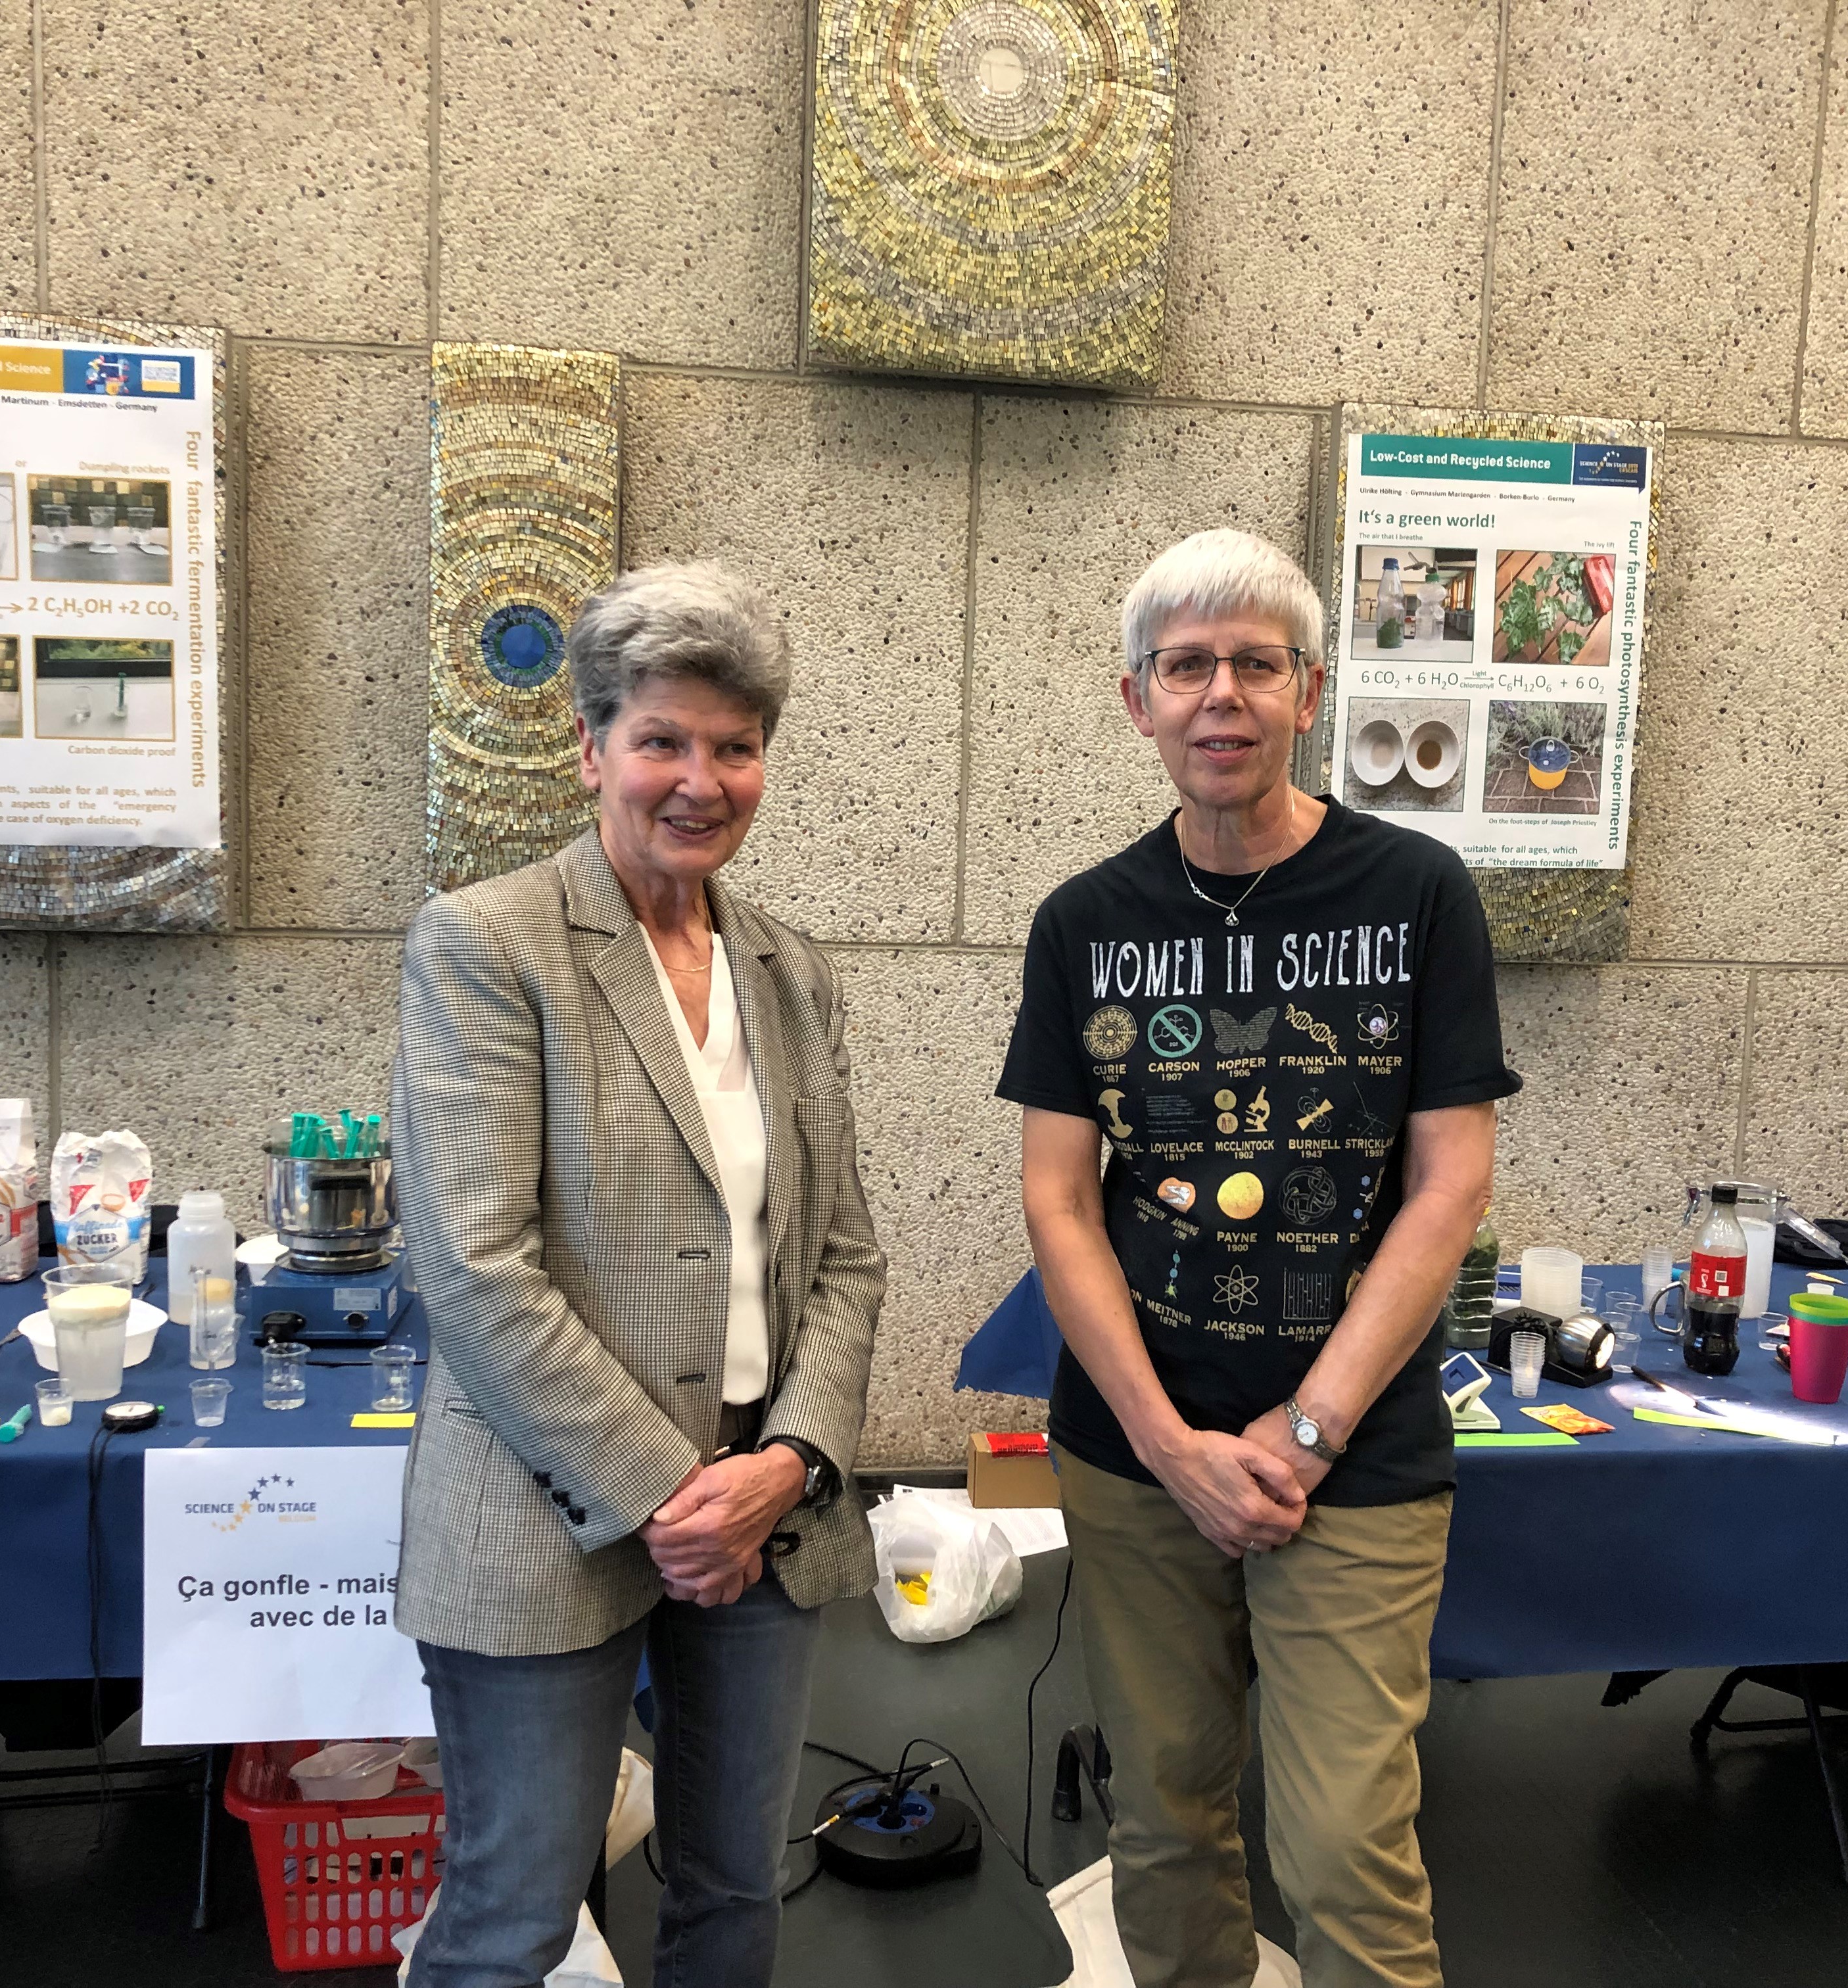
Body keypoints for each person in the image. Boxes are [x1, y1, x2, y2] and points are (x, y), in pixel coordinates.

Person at [996, 529, 1519, 1988]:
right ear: (1137, 702)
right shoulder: (1084, 925)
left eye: (1254, 664)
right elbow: (1059, 1200)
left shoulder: (1414, 892)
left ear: (1309, 692)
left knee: (1349, 1844)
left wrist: (1302, 1431)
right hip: (1135, 1450)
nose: (1218, 693)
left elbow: (1450, 1184)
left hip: (1353, 1451)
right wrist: (1171, 1448)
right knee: (1164, 1823)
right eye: (1185, 667)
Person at [389, 561, 885, 1988]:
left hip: (762, 1510)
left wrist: (787, 1462)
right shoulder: (487, 944)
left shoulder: (792, 970)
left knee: (738, 1893)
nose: (700, 778)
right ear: (592, 746)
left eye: (735, 747)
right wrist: (673, 1496)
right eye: (663, 739)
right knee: (511, 1918)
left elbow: (845, 1251)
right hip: (550, 1510)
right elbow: (477, 1267)